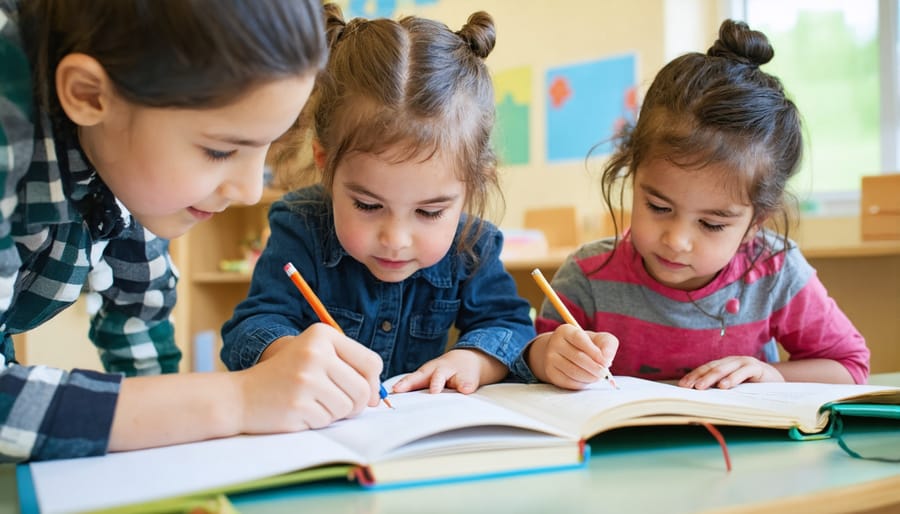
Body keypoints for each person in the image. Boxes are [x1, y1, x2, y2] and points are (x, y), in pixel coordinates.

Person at [0, 0, 388, 463]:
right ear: (87, 95)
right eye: (221, 151)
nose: (248, 191)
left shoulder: (126, 163)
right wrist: (239, 399)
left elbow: (139, 312)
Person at [528, 19, 870, 391]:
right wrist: (546, 358)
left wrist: (772, 375)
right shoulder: (586, 278)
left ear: (756, 223)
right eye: (658, 207)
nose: (676, 240)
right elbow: (530, 373)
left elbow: (850, 367)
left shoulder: (776, 273)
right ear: (633, 171)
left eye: (711, 224)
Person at [221, 4, 537, 396]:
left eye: (429, 211)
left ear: (472, 186)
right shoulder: (299, 226)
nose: (396, 238)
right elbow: (250, 327)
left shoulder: (473, 245)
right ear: (326, 163)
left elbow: (510, 327)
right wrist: (286, 353)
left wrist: (472, 360)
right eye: (368, 206)